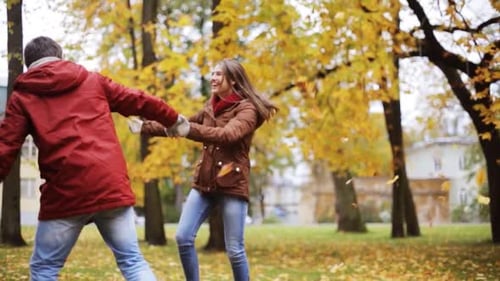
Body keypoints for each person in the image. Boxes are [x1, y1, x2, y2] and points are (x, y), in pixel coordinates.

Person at [0, 36, 186, 281]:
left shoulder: (23, 97)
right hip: (109, 185)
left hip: (66, 194)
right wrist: (173, 119)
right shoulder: (92, 80)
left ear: (28, 65)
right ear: (60, 56)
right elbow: (138, 99)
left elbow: (6, 146)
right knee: (132, 261)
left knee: (44, 269)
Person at [129, 58, 278, 281]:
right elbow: (182, 124)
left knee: (235, 250)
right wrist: (146, 127)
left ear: (234, 80)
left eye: (219, 74)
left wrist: (188, 129)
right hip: (205, 182)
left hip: (232, 183)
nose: (213, 78)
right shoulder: (211, 105)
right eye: (213, 73)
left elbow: (228, 135)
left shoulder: (248, 110)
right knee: (183, 237)